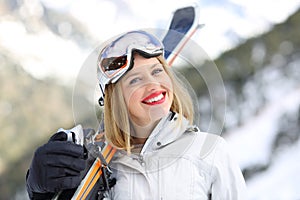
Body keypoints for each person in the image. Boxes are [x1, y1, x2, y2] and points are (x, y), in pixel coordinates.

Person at [26, 30, 247, 199]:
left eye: (157, 71)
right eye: (135, 80)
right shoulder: (100, 165)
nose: (153, 85)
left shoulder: (211, 152)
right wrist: (40, 190)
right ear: (115, 100)